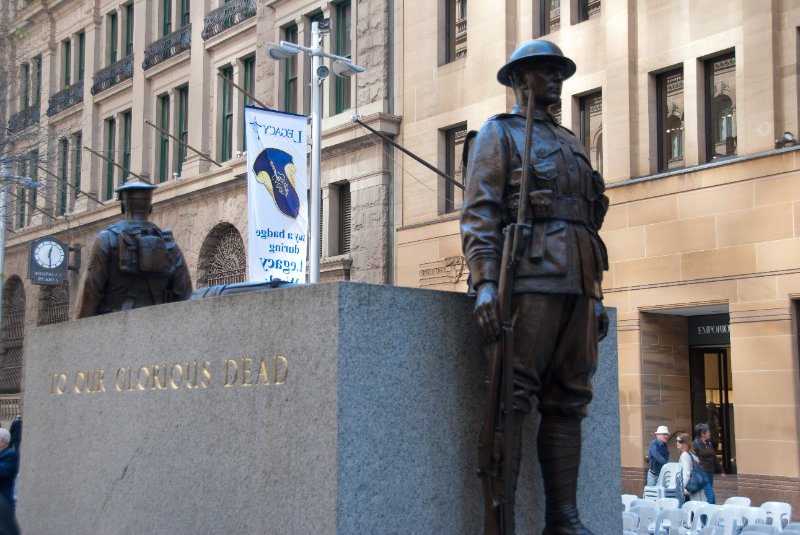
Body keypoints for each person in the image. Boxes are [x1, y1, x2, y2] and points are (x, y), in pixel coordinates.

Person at [461, 39, 609, 535]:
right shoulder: (497, 135)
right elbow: (480, 213)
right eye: (544, 71)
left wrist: (597, 295)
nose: (555, 79)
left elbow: (590, 219)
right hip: (530, 278)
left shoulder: (571, 141)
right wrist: (484, 283)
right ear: (521, 79)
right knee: (512, 397)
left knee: (570, 398)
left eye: (558, 71)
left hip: (579, 281)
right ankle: (503, 524)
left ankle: (562, 520)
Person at [76, 181, 193, 318]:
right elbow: (185, 294)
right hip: (157, 327)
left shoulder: (106, 239)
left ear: (122, 207)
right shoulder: (169, 244)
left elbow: (90, 293)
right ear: (150, 208)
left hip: (112, 328)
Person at [694, 422, 723, 504]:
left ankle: (706, 511)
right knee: (711, 495)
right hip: (702, 473)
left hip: (710, 472)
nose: (710, 433)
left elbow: (714, 457)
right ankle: (710, 512)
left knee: (707, 494)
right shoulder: (695, 444)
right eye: (708, 432)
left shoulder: (708, 443)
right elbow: (692, 458)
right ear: (703, 434)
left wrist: (721, 470)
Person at [676, 432, 705, 503]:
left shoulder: (685, 455)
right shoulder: (692, 454)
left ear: (685, 443)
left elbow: (686, 473)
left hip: (689, 489)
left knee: (688, 510)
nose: (677, 443)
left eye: (680, 441)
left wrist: (683, 488)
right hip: (696, 488)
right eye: (676, 441)